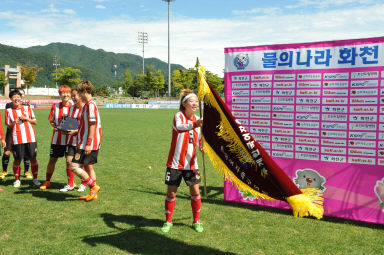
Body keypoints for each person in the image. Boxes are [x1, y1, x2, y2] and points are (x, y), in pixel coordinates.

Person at [161, 89, 204, 233]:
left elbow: (198, 140)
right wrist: (195, 124)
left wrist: (202, 145)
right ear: (184, 103)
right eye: (192, 101)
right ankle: (168, 221)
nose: (195, 104)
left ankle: (196, 221)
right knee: (171, 194)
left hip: (192, 164)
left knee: (195, 193)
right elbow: (179, 128)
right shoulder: (178, 116)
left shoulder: (198, 119)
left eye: (197, 101)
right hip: (175, 163)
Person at [69, 80, 101, 201]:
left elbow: (92, 125)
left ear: (85, 91)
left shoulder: (91, 105)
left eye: (80, 92)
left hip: (87, 143)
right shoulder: (87, 105)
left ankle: (93, 187)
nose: (79, 95)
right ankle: (93, 192)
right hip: (83, 142)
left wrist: (88, 144)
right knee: (87, 167)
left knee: (74, 166)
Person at [5, 90, 40, 188]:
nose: (16, 99)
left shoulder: (28, 108)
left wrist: (26, 118)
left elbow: (35, 122)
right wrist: (14, 122)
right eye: (14, 97)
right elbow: (8, 126)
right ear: (11, 99)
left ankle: (35, 179)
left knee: (33, 158)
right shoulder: (8, 111)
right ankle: (17, 180)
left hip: (30, 138)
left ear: (21, 98)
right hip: (17, 139)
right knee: (17, 159)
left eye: (18, 97)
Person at [40, 85, 73, 190]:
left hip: (70, 139)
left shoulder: (74, 106)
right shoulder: (55, 106)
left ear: (70, 94)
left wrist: (68, 128)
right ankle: (47, 181)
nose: (65, 95)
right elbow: (51, 120)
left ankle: (71, 183)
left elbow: (77, 121)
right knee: (52, 160)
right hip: (57, 139)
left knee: (69, 161)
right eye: (63, 93)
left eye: (67, 93)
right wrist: (55, 127)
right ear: (60, 94)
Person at [60, 88, 87, 192]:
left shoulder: (85, 108)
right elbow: (70, 123)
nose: (73, 98)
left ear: (80, 96)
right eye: (72, 96)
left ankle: (83, 183)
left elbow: (86, 126)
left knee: (81, 163)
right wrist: (64, 129)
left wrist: (75, 131)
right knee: (69, 162)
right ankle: (70, 184)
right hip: (71, 140)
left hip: (81, 141)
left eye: (74, 95)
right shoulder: (71, 108)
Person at [0, 89, 31, 180]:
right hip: (11, 132)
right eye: (16, 96)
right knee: (7, 152)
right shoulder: (9, 105)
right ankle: (4, 171)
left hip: (24, 132)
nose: (18, 97)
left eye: (21, 95)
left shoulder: (26, 107)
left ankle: (26, 171)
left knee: (26, 153)